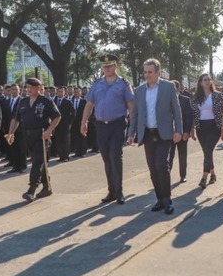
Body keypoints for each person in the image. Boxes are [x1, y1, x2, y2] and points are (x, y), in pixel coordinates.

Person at [128, 58, 182, 214]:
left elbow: (176, 110)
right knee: (152, 168)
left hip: (164, 133)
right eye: (145, 72)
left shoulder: (168, 87)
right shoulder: (139, 90)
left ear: (158, 72)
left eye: (150, 72)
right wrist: (131, 133)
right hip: (147, 134)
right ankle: (159, 198)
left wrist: (178, 130)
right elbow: (135, 113)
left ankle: (167, 199)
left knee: (161, 165)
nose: (147, 75)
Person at [80, 54, 135, 205]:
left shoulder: (123, 84)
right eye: (104, 67)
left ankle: (119, 191)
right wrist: (83, 122)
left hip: (117, 125)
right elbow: (89, 105)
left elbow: (131, 105)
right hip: (100, 126)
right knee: (106, 158)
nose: (107, 69)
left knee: (115, 156)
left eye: (109, 66)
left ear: (116, 66)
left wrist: (132, 126)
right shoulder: (97, 84)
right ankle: (111, 190)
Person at [8, 77, 61, 202]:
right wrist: (10, 133)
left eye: (32, 87)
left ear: (38, 88)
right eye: (27, 87)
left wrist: (49, 130)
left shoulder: (46, 101)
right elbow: (16, 119)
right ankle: (47, 187)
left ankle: (31, 189)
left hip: (41, 136)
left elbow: (57, 117)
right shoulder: (23, 101)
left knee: (37, 162)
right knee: (40, 162)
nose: (29, 89)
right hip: (27, 135)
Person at [190, 73, 223, 190]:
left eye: (209, 79)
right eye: (205, 80)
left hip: (214, 126)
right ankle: (213, 174)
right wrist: (192, 129)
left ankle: (204, 177)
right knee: (207, 152)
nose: (207, 81)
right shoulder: (195, 97)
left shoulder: (218, 96)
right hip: (201, 127)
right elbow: (194, 115)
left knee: (209, 149)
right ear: (200, 83)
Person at [169, 80, 194, 182]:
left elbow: (189, 117)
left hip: (183, 132)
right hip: (169, 133)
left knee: (182, 155)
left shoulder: (185, 100)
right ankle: (167, 175)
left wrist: (187, 132)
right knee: (169, 156)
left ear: (178, 88)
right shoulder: (166, 100)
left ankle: (183, 175)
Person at [53, 86, 75, 162]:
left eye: (62, 91)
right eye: (59, 91)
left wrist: (70, 123)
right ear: (57, 92)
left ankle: (65, 156)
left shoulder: (67, 101)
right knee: (58, 140)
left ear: (64, 93)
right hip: (56, 124)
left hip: (65, 124)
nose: (60, 93)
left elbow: (73, 112)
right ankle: (61, 156)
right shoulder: (54, 101)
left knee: (65, 141)